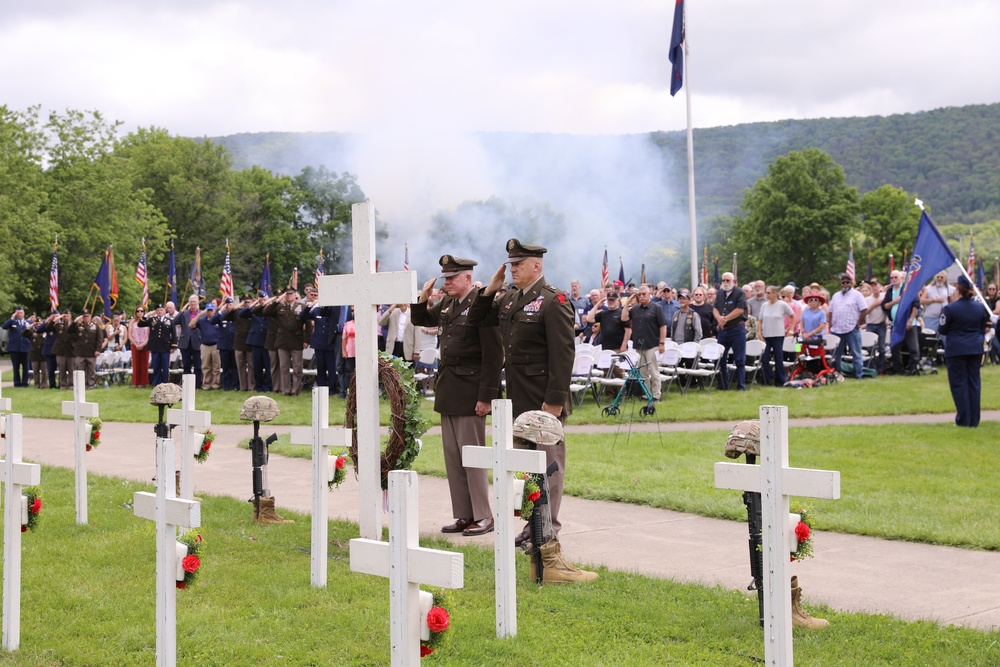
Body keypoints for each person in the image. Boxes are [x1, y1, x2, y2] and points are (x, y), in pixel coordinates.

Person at [467, 238, 574, 542]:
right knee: (526, 468)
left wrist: (554, 403)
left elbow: (563, 355)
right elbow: (477, 320)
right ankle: (532, 524)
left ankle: (547, 527)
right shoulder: (510, 299)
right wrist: (489, 290)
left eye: (518, 264)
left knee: (548, 466)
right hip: (518, 399)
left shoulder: (554, 301)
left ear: (536, 265)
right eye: (511, 264)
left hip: (542, 402)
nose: (512, 269)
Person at [411, 255, 502, 537]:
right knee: (453, 456)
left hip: (472, 389)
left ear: (467, 277)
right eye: (445, 277)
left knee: (472, 456)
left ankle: (484, 515)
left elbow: (493, 354)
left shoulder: (482, 303)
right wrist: (421, 298)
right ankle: (465, 514)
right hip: (450, 388)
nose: (446, 282)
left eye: (452, 278)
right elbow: (421, 318)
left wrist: (487, 395)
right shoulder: (449, 303)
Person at [512, 410, 598, 584]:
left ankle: (550, 563)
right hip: (523, 414)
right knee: (531, 484)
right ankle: (544, 565)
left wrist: (554, 400)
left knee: (546, 482)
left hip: (545, 410)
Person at [938, 275, 992, 427]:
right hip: (975, 348)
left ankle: (963, 419)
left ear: (958, 289)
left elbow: (942, 328)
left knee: (959, 384)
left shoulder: (950, 308)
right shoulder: (980, 307)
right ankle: (974, 420)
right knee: (974, 383)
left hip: (956, 348)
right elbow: (983, 326)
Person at [621, 285, 667, 400]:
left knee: (654, 371)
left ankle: (656, 395)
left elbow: (663, 326)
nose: (641, 297)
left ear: (649, 294)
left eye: (644, 294)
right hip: (639, 344)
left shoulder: (656, 308)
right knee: (642, 372)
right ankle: (646, 394)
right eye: (639, 295)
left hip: (652, 344)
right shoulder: (635, 309)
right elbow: (624, 318)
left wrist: (662, 343)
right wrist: (628, 303)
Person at [264, 288, 307, 396]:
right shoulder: (279, 307)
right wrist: (277, 300)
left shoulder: (301, 307)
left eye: (290, 294)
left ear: (295, 294)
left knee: (297, 368)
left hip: (296, 339)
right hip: (282, 340)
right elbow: (266, 312)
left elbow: (308, 325)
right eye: (286, 294)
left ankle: (295, 390)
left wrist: (306, 340)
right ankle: (286, 390)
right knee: (284, 367)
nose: (288, 296)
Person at [829, 273, 870, 379]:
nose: (845, 284)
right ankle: (837, 373)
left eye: (847, 282)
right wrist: (830, 324)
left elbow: (864, 310)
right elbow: (830, 311)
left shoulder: (857, 295)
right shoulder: (835, 295)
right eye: (843, 282)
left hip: (851, 328)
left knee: (856, 353)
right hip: (837, 329)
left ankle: (858, 374)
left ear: (851, 283)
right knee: (836, 354)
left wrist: (858, 323)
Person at [714, 272, 748, 390]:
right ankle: (723, 384)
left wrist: (725, 319)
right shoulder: (719, 293)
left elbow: (740, 310)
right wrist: (719, 318)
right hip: (723, 330)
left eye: (728, 280)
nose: (725, 283)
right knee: (720, 358)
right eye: (724, 280)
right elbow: (715, 308)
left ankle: (741, 386)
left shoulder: (740, 293)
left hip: (736, 329)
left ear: (734, 281)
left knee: (739, 359)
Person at [758, 286, 794, 386]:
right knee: (765, 359)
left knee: (778, 358)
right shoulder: (764, 305)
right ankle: (766, 380)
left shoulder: (782, 305)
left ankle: (780, 380)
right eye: (766, 293)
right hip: (766, 336)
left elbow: (793, 316)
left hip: (778, 335)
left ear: (775, 293)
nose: (767, 295)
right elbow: (760, 320)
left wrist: (790, 328)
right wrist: (759, 333)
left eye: (768, 293)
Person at [137, 304, 176, 386]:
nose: (159, 312)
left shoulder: (169, 320)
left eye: (161, 310)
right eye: (157, 310)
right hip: (155, 346)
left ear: (164, 311)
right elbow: (140, 324)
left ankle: (165, 383)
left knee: (165, 366)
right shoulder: (152, 320)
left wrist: (173, 346)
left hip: (165, 346)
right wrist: (147, 315)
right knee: (156, 366)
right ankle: (157, 384)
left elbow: (173, 334)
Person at [70, 311, 106, 389]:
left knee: (91, 370)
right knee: (80, 369)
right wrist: (75, 321)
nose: (86, 318)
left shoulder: (95, 326)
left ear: (90, 317)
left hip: (91, 351)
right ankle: (80, 385)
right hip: (80, 351)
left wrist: (98, 350)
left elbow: (100, 339)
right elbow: (69, 331)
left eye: (87, 316)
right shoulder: (78, 326)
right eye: (84, 316)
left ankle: (90, 384)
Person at [173, 296, 204, 388]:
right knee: (186, 365)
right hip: (185, 342)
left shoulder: (201, 313)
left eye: (194, 302)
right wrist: (183, 309)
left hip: (197, 341)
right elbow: (175, 321)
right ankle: (187, 385)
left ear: (198, 302)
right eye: (190, 302)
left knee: (198, 366)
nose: (192, 304)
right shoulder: (184, 313)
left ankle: (197, 385)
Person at [192, 300, 221, 390]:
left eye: (211, 310)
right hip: (205, 345)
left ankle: (215, 384)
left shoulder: (218, 319)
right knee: (205, 367)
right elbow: (191, 325)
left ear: (214, 311)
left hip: (216, 345)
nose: (209, 312)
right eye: (208, 310)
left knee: (216, 367)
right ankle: (206, 385)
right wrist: (200, 314)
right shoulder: (202, 320)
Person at [2, 306, 32, 387]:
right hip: (15, 348)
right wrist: (12, 318)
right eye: (18, 313)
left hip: (25, 347)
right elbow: (4, 326)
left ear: (24, 313)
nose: (19, 314)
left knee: (26, 367)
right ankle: (17, 383)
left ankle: (25, 383)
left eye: (21, 313)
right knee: (16, 367)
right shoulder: (12, 322)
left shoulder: (28, 322)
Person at [127, 305, 150, 387]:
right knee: (136, 364)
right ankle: (136, 383)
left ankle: (144, 383)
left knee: (144, 364)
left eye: (141, 311)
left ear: (144, 312)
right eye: (138, 311)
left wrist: (143, 344)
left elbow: (149, 335)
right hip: (135, 344)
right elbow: (129, 334)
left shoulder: (147, 321)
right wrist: (136, 344)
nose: (140, 313)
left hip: (145, 344)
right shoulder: (132, 322)